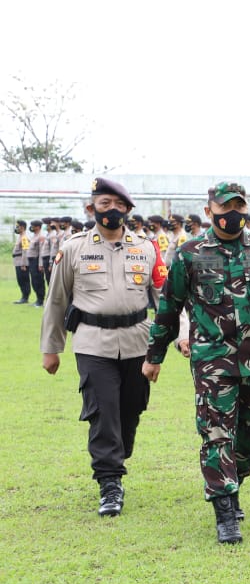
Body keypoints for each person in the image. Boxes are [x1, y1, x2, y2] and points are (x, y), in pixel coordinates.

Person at [143, 182, 250, 545]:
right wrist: (155, 356)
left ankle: (235, 481)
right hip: (212, 359)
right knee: (216, 431)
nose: (232, 213)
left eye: (238, 206)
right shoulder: (189, 253)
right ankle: (225, 508)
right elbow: (169, 307)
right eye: (225, 206)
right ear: (210, 208)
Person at [40, 178, 167, 516]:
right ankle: (109, 482)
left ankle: (117, 455)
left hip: (138, 339)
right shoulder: (73, 248)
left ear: (128, 209)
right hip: (92, 342)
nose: (112, 210)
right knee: (103, 410)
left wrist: (175, 337)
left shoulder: (147, 248)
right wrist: (52, 348)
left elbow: (165, 299)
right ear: (91, 207)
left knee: (130, 409)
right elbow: (56, 301)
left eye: (119, 204)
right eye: (105, 202)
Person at [27, 218, 46, 306]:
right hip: (31, 261)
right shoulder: (33, 236)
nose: (31, 227)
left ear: (38, 227)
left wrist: (40, 264)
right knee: (34, 281)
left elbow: (41, 251)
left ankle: (40, 300)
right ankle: (37, 299)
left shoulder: (41, 236)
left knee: (38, 281)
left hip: (36, 261)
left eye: (33, 226)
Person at [13, 219, 30, 303]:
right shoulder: (20, 237)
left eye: (17, 227)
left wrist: (23, 264)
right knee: (20, 280)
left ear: (22, 227)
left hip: (21, 262)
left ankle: (25, 297)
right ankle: (23, 296)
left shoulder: (24, 238)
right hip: (17, 262)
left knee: (24, 280)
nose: (16, 228)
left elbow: (25, 251)